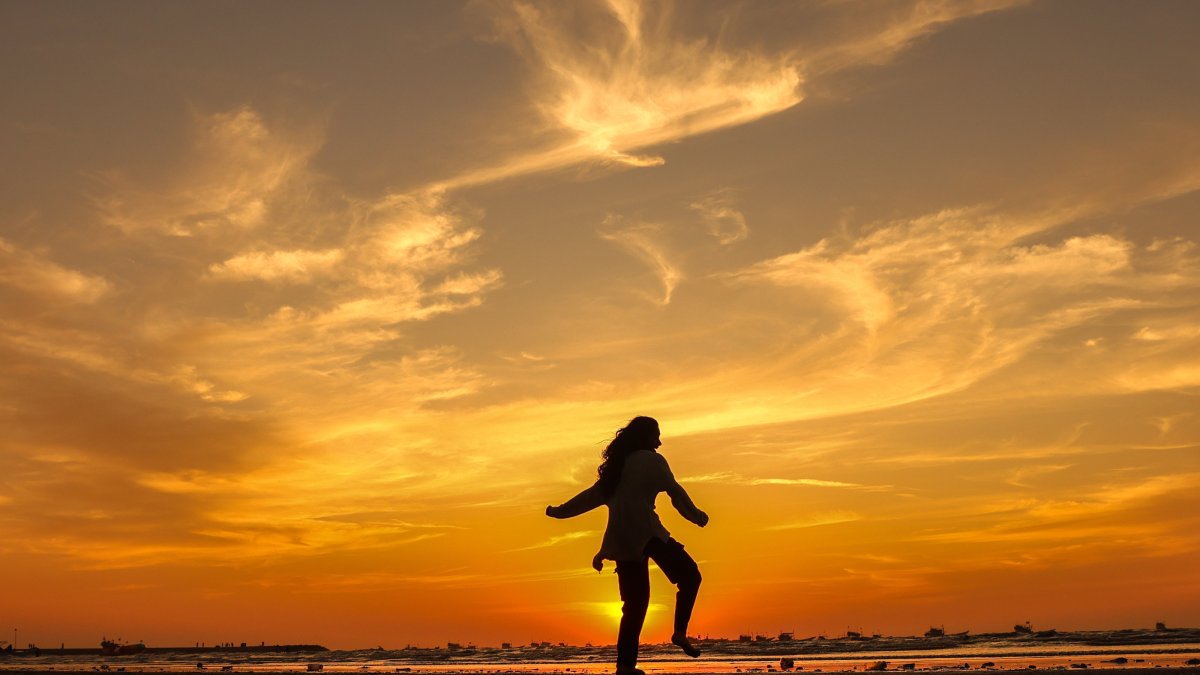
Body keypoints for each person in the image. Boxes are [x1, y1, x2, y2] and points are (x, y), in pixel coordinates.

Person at [546, 416, 708, 675]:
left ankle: (624, 667)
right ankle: (679, 632)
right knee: (690, 576)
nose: (660, 441)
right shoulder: (654, 461)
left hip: (621, 540)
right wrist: (697, 516)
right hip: (648, 533)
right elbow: (676, 494)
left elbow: (586, 499)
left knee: (634, 607)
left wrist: (557, 512)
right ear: (645, 437)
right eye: (656, 435)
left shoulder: (616, 469)